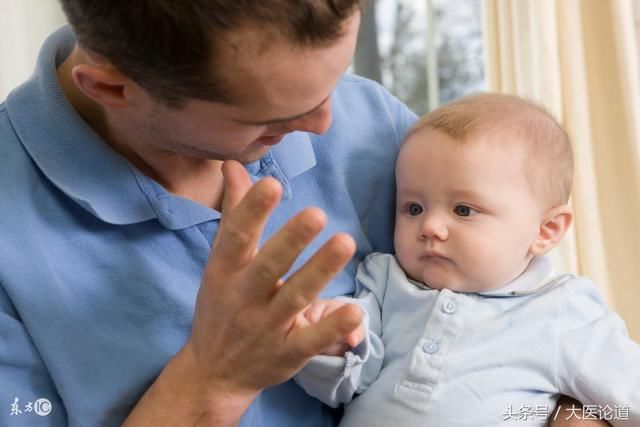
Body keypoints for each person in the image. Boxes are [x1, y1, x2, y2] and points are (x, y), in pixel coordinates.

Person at [0, 0, 609, 425]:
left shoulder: (372, 124)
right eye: (266, 117)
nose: (323, 123)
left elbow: (520, 335)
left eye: (334, 80)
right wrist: (215, 380)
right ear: (112, 88)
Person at [295, 93, 640, 426]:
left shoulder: (564, 310)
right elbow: (346, 384)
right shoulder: (385, 280)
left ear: (545, 230)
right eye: (413, 208)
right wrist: (334, 346)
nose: (429, 226)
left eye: (463, 210)